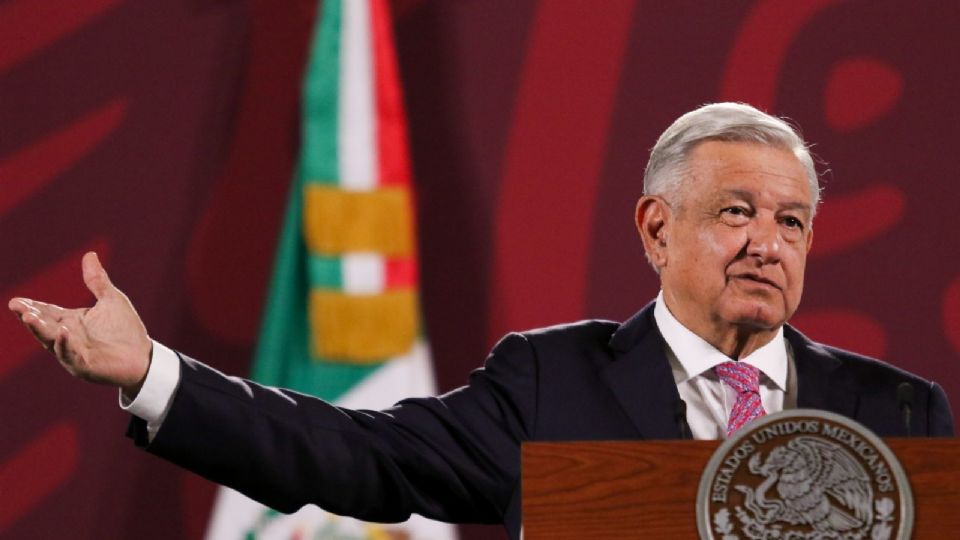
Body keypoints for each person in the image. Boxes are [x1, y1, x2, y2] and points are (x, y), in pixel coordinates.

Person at [9, 103, 954, 540]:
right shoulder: (555, 382)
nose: (767, 244)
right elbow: (356, 454)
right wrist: (153, 374)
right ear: (657, 228)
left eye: (792, 221)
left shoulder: (901, 412)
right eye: (736, 211)